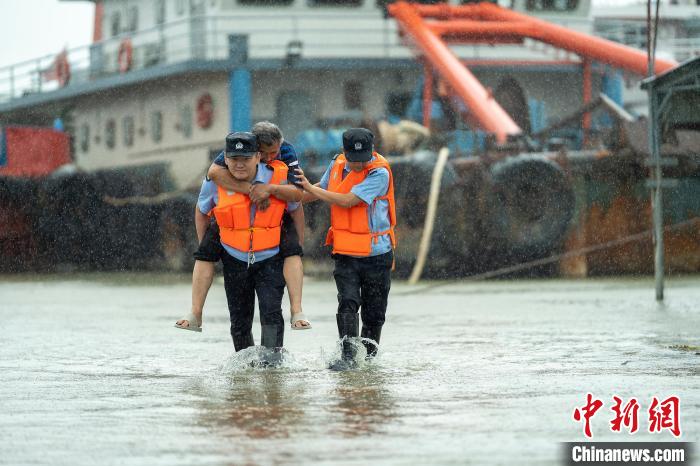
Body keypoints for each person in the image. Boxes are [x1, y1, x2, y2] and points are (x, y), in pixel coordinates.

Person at [175, 122, 310, 332]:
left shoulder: (285, 156)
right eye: (263, 153)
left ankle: (297, 310)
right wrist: (252, 190)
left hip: (272, 234)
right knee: (205, 256)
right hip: (230, 238)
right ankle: (195, 312)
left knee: (292, 254)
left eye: (272, 153)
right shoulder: (229, 158)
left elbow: (298, 196)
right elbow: (213, 174)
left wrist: (270, 189)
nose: (268, 158)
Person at [295, 128, 396, 368]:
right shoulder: (338, 163)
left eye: (363, 160)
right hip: (346, 252)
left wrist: (310, 188)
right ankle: (348, 357)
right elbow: (324, 187)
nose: (358, 165)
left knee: (374, 312)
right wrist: (290, 198)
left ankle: (369, 362)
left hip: (377, 254)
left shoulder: (379, 173)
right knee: (348, 302)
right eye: (353, 159)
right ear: (344, 152)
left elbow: (348, 201)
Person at [192, 131, 298, 355]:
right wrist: (206, 247)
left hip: (270, 256)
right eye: (234, 159)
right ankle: (245, 369)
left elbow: (296, 208)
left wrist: (298, 244)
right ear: (226, 159)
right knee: (239, 318)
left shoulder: (277, 175)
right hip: (234, 257)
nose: (239, 165)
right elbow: (202, 211)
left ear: (258, 157)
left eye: (246, 159)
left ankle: (272, 366)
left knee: (271, 313)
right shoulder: (215, 181)